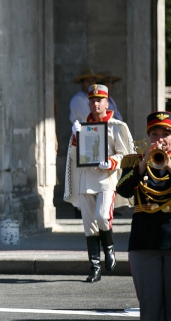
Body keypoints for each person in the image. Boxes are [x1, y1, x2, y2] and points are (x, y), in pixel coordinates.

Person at [116, 112, 171, 320]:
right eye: (154, 134)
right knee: (150, 309)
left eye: (166, 134)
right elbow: (123, 190)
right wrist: (143, 164)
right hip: (145, 242)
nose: (159, 139)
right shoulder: (136, 163)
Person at [64, 84, 134, 283]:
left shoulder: (116, 126)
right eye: (92, 100)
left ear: (106, 102)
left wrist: (112, 161)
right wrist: (76, 138)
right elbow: (74, 155)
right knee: (89, 225)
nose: (95, 104)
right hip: (86, 178)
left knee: (103, 216)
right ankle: (95, 267)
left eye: (99, 100)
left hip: (106, 178)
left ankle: (109, 248)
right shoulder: (82, 125)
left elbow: (125, 154)